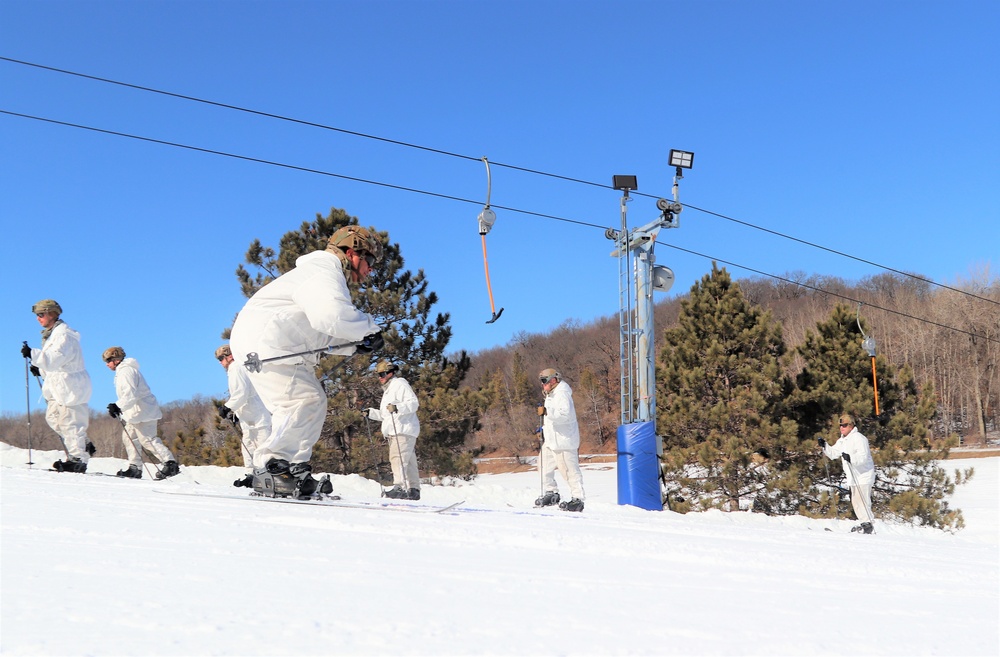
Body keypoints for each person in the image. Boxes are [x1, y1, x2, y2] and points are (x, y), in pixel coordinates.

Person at [229, 224, 385, 498]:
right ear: (351, 253)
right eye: (370, 261)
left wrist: (353, 345)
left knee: (309, 400)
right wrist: (368, 329)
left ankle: (292, 466)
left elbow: (318, 328)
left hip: (272, 341)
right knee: (302, 401)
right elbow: (332, 316)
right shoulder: (323, 272)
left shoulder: (319, 275)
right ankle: (270, 467)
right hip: (267, 342)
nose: (371, 269)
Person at [22, 299, 93, 473]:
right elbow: (54, 364)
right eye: (37, 315)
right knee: (53, 418)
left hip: (70, 386)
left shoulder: (64, 335)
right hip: (57, 387)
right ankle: (84, 445)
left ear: (52, 313)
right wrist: (40, 369)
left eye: (41, 314)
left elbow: (55, 359)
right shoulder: (51, 335)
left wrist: (33, 354)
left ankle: (78, 459)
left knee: (70, 422)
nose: (38, 318)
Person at [102, 346, 180, 480]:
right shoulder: (123, 371)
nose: (107, 364)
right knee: (129, 438)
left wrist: (117, 406)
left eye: (108, 360)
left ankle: (170, 463)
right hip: (135, 412)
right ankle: (135, 468)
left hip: (143, 411)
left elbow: (130, 394)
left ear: (116, 360)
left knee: (147, 439)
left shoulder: (126, 371)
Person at [367, 361, 421, 500]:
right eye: (378, 375)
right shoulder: (389, 389)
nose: (380, 377)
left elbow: (413, 404)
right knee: (408, 461)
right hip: (399, 429)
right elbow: (386, 415)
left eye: (383, 374)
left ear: (391, 373)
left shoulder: (400, 384)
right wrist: (371, 413)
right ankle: (414, 490)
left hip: (402, 429)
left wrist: (397, 407)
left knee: (397, 459)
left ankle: (399, 487)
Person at [535, 368, 585, 512]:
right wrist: (543, 430)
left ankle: (578, 499)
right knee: (543, 466)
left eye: (544, 381)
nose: (542, 385)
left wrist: (547, 412)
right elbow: (551, 420)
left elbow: (565, 415)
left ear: (553, 380)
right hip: (551, 440)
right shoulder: (551, 394)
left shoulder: (562, 393)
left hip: (564, 441)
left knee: (569, 471)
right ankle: (551, 493)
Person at [215, 344, 271, 469]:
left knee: (263, 448)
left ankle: (267, 475)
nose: (220, 362)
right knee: (249, 446)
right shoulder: (237, 368)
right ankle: (252, 474)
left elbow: (241, 393)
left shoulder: (236, 367)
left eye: (221, 358)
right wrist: (236, 414)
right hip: (249, 417)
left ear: (230, 356)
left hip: (257, 416)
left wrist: (228, 407)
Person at [820, 413, 875, 534]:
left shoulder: (859, 439)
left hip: (863, 476)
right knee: (856, 502)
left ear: (851, 426)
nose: (841, 428)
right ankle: (865, 524)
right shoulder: (843, 440)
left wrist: (850, 458)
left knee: (862, 502)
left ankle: (868, 525)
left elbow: (863, 458)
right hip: (853, 477)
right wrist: (825, 446)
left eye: (844, 425)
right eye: (840, 425)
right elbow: (834, 453)